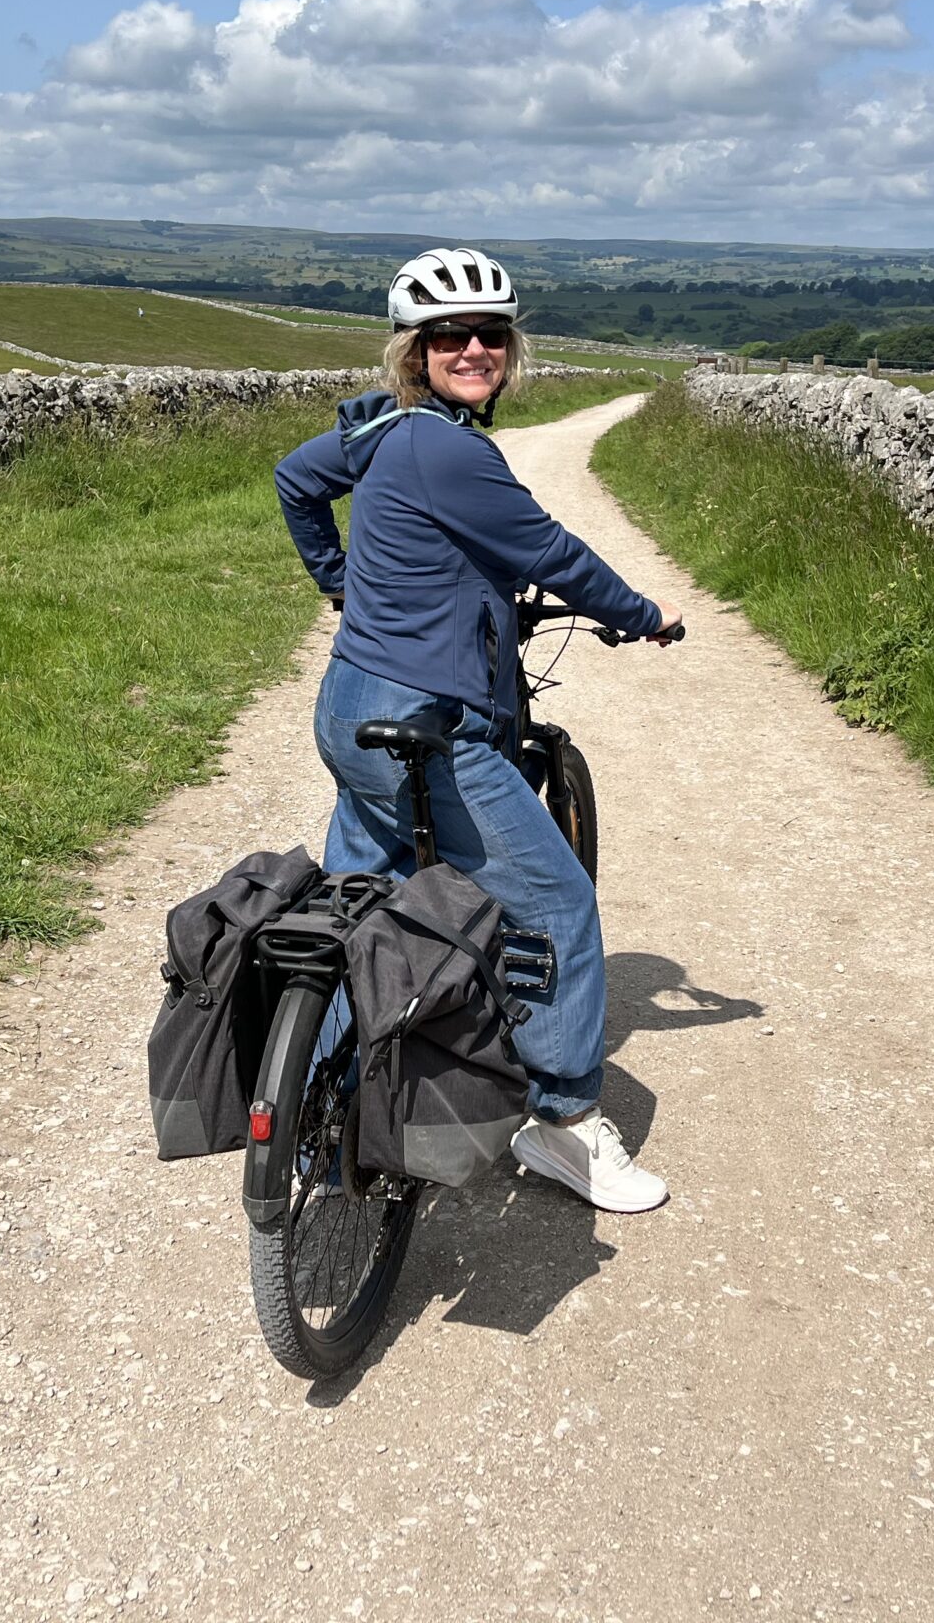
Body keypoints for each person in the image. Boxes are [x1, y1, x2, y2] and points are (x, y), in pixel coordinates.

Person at [274, 246, 681, 1214]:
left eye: (488, 335)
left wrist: (338, 582)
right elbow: (549, 552)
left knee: (361, 902)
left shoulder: (382, 433)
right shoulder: (447, 448)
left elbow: (295, 480)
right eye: (447, 336)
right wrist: (641, 612)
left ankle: (315, 1107)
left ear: (509, 347)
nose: (471, 349)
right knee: (557, 908)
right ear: (413, 349)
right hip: (431, 722)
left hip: (352, 707)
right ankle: (562, 1124)